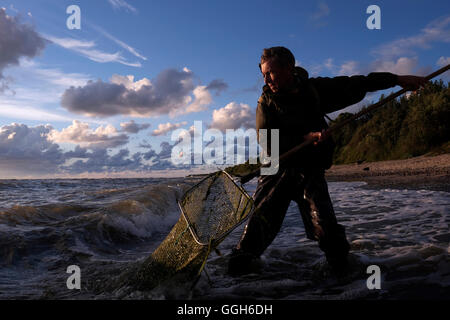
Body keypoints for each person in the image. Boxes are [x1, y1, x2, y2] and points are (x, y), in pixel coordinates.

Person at [228, 46, 427, 276]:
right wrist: (306, 137)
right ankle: (235, 279)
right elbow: (270, 145)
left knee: (328, 232)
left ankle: (343, 278)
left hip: (309, 169)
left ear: (289, 69)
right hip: (277, 171)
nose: (266, 79)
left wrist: (398, 79)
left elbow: (357, 83)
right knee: (255, 233)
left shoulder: (314, 89)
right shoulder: (266, 103)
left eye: (270, 72)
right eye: (263, 74)